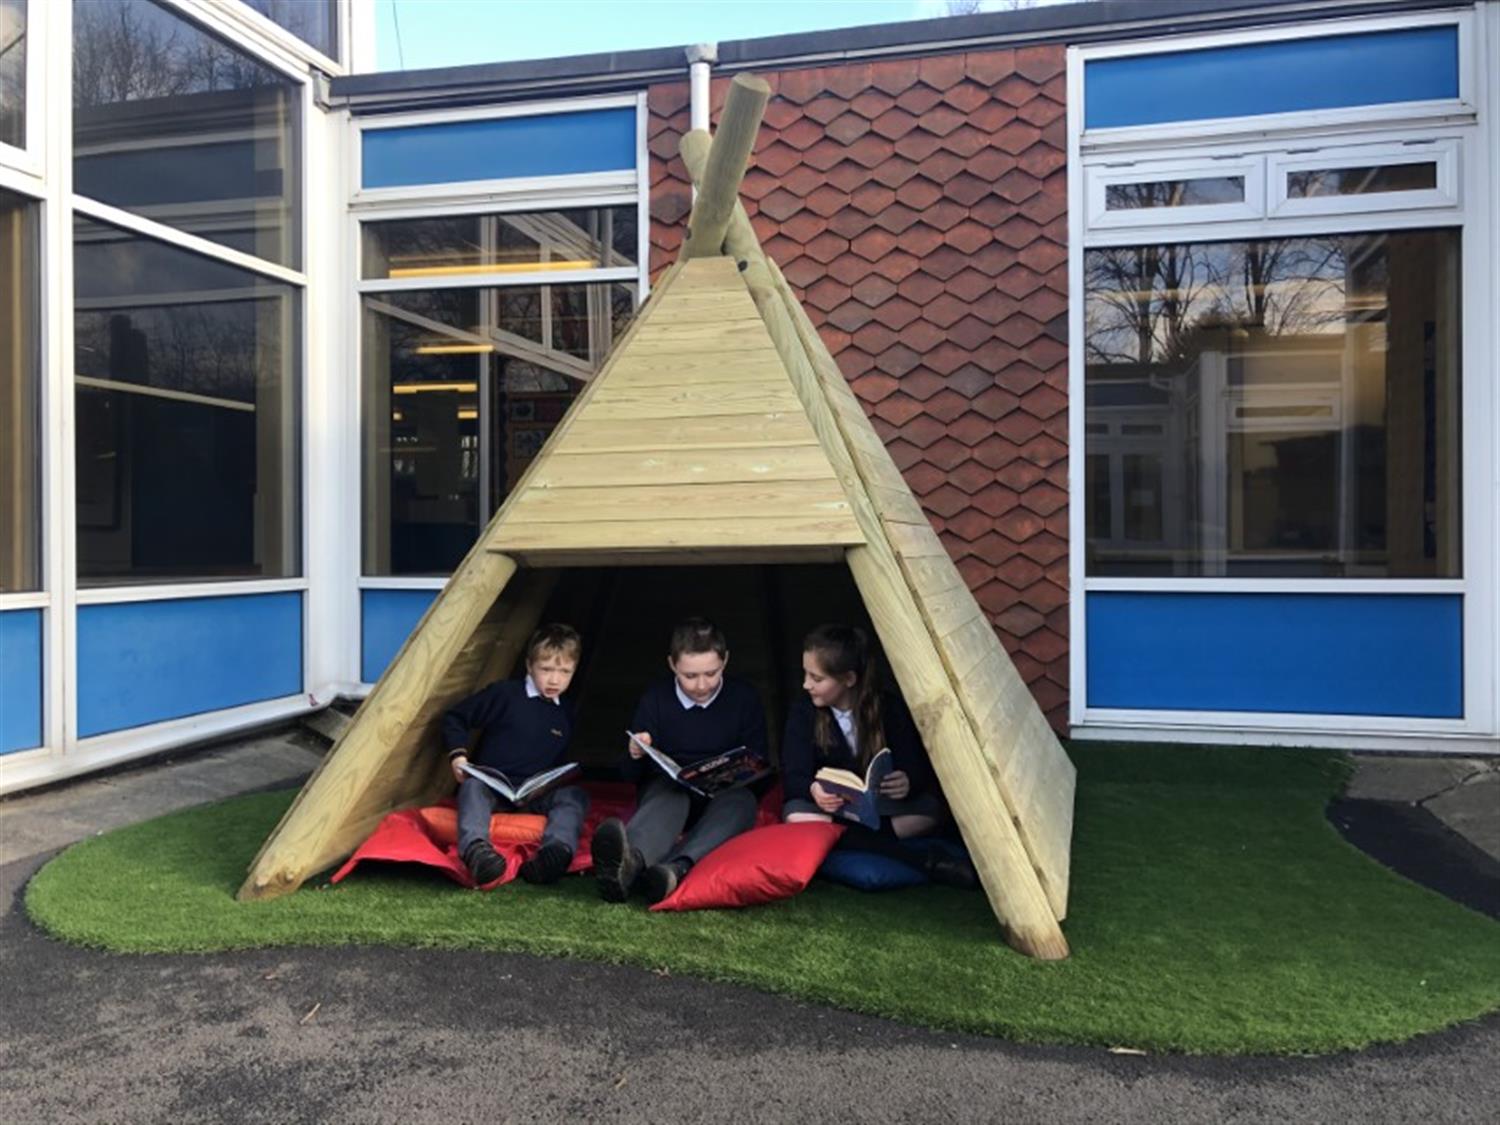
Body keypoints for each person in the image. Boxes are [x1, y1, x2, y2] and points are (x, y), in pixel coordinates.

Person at [781, 623, 976, 889]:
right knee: (796, 817)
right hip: (828, 809)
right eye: (806, 675)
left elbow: (916, 767)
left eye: (816, 679)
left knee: (930, 810)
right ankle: (919, 859)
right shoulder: (803, 713)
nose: (806, 685)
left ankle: (849, 839)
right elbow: (793, 775)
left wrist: (906, 782)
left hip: (879, 808)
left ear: (848, 679)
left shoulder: (889, 708)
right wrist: (814, 789)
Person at [593, 617, 767, 905]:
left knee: (742, 802)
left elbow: (761, 766)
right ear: (672, 665)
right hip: (669, 793)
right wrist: (636, 753)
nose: (701, 685)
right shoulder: (656, 698)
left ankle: (674, 869)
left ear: (725, 661)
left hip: (724, 796)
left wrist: (734, 776)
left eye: (711, 673)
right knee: (671, 794)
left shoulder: (744, 698)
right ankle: (628, 864)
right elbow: (629, 775)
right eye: (689, 676)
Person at [443, 623, 590, 887]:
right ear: (529, 666)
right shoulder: (505, 694)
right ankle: (478, 853)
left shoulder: (566, 711)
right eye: (546, 670)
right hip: (494, 788)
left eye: (564, 671)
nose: (555, 680)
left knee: (574, 796)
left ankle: (555, 854)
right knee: (472, 787)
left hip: (534, 793)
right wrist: (458, 756)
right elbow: (455, 717)